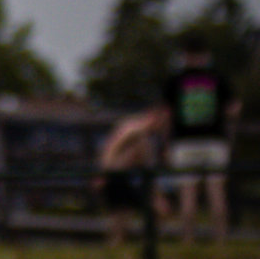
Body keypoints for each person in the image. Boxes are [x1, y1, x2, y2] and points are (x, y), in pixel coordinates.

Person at [157, 37, 242, 244]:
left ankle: (188, 240)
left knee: (187, 195)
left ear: (184, 56)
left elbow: (166, 115)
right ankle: (220, 241)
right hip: (214, 142)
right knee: (216, 193)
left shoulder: (175, 80)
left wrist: (165, 144)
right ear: (206, 55)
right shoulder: (218, 78)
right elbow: (233, 109)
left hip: (184, 143)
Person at [96, 107, 164, 247]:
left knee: (124, 214)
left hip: (125, 177)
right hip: (116, 175)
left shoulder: (145, 138)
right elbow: (112, 147)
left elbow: (146, 164)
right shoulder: (134, 128)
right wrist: (103, 173)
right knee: (119, 215)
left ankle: (136, 245)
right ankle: (117, 245)